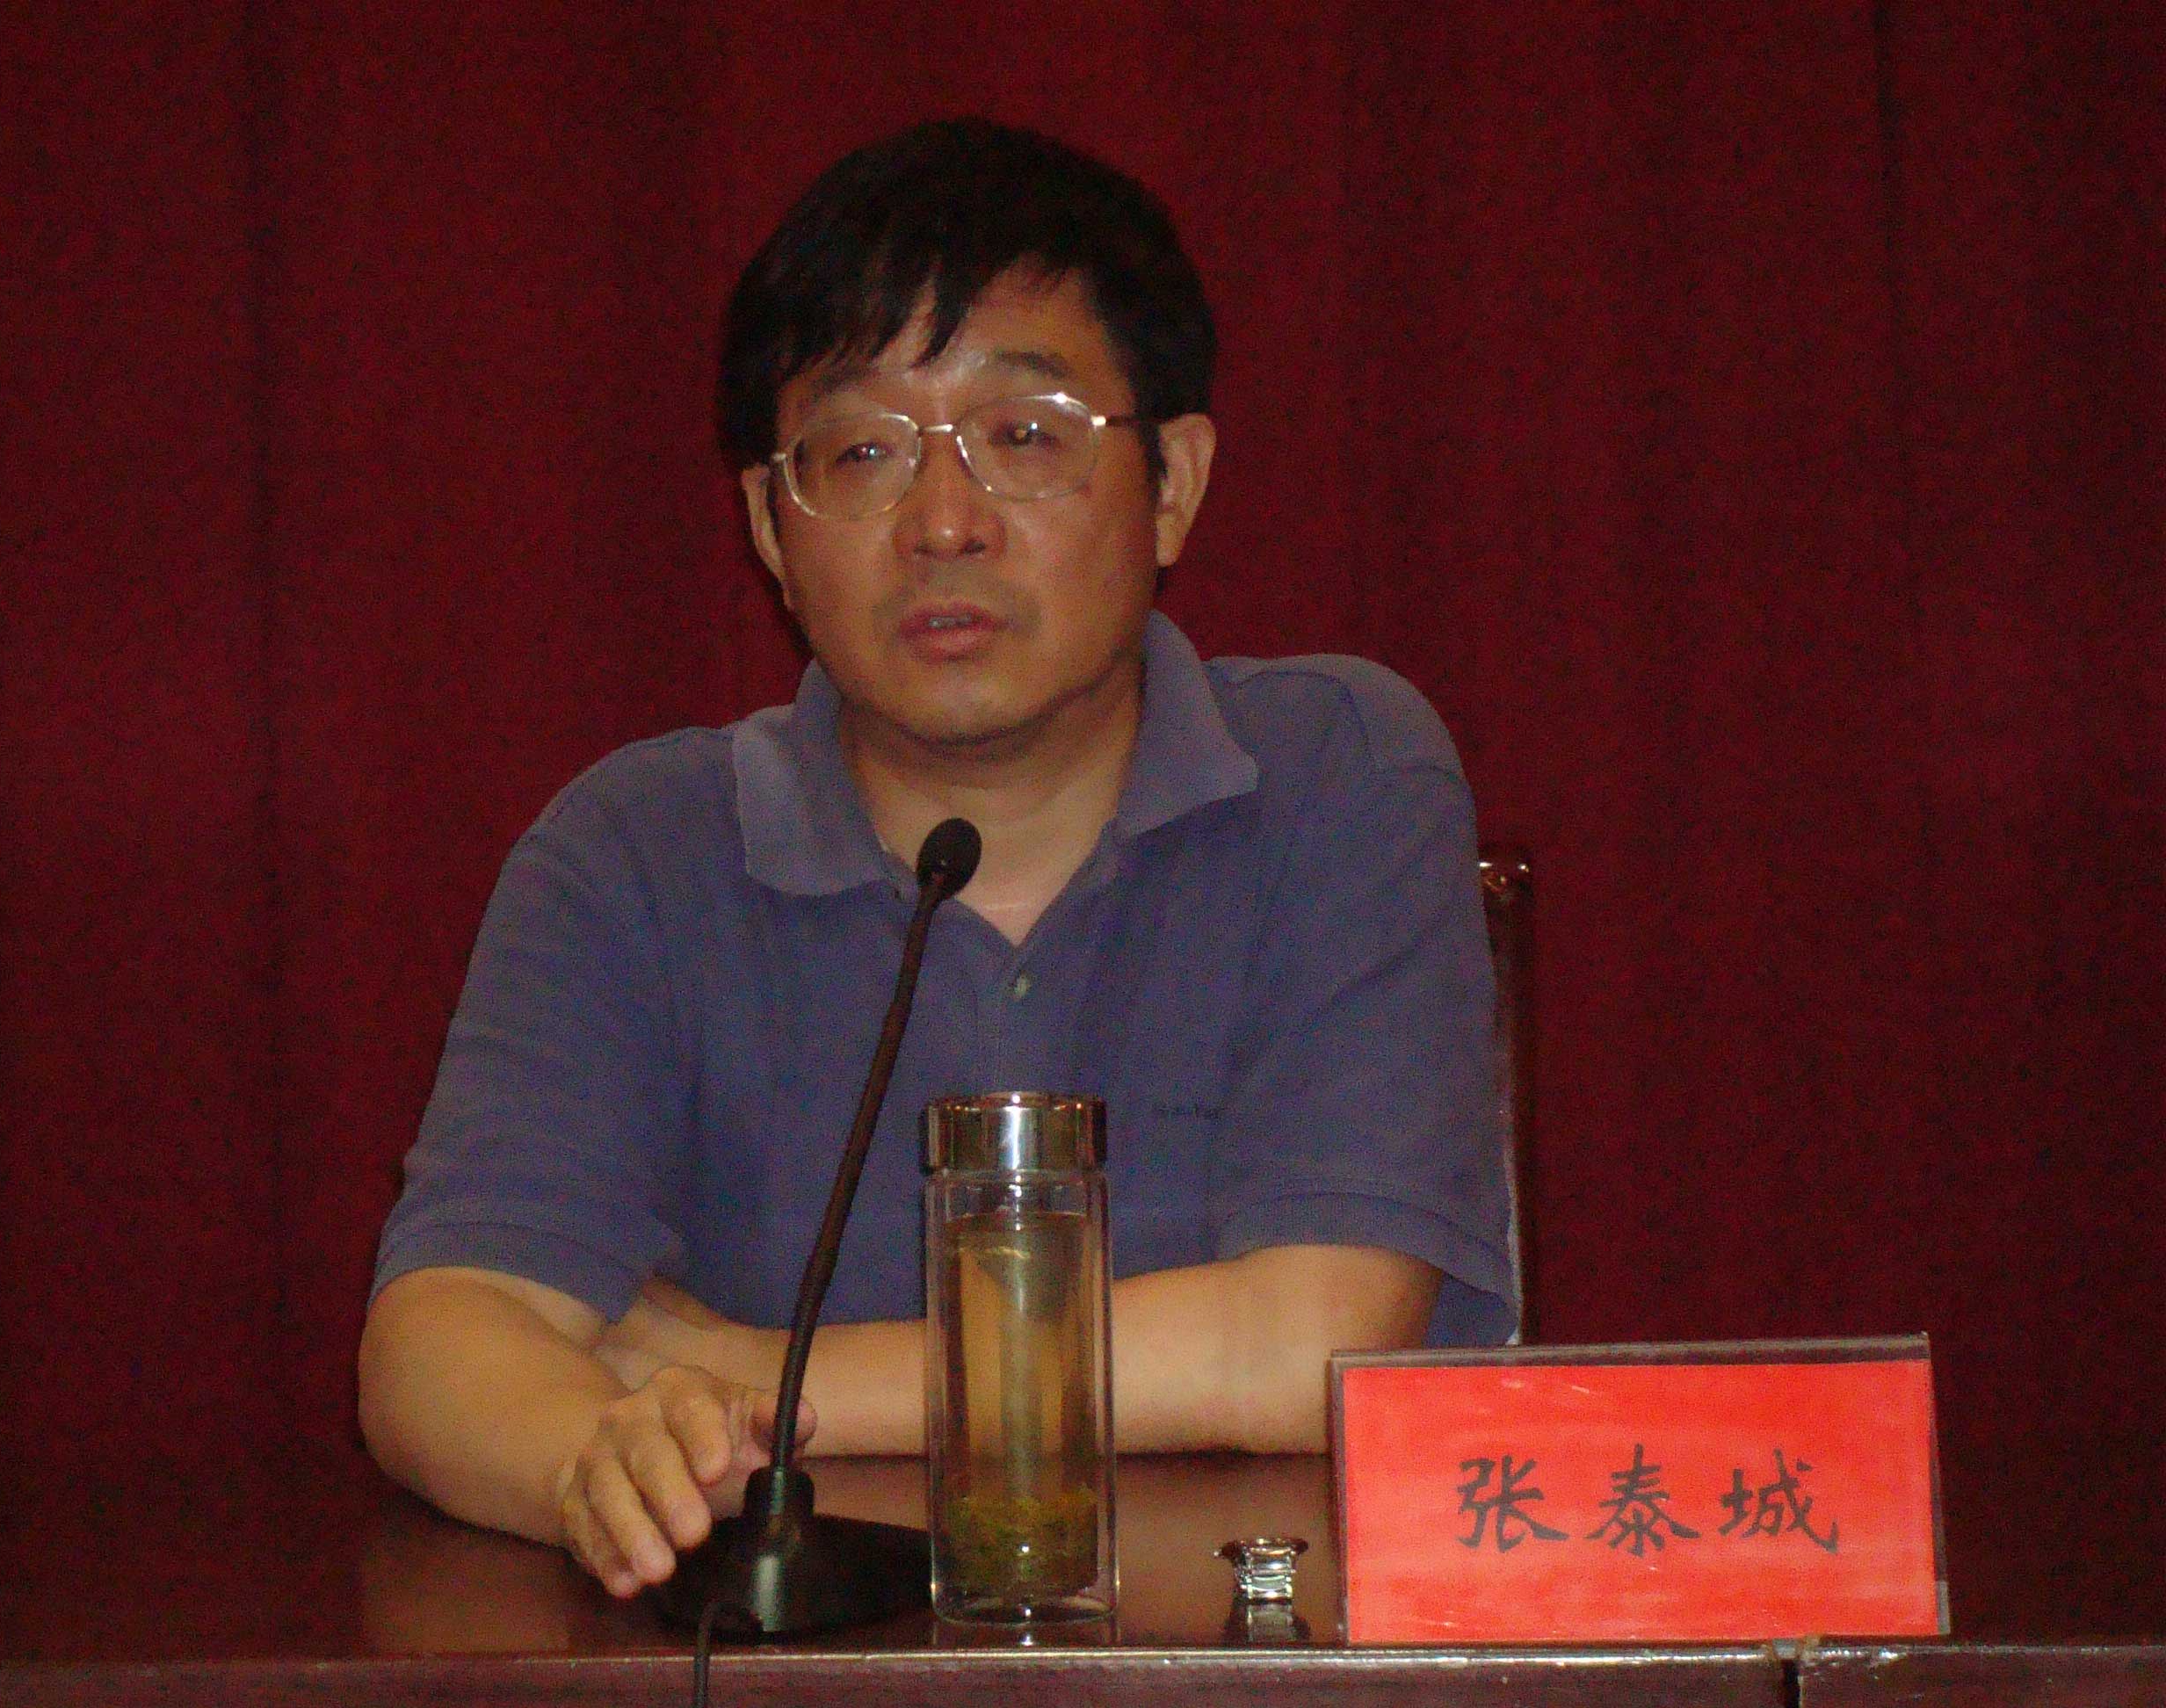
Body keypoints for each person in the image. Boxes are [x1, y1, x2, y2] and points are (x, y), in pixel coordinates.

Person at [359, 118, 1514, 1599]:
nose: (943, 523)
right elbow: (440, 1337)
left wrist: (756, 1381)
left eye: (1024, 437)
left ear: (1172, 481)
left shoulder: (1338, 770)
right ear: (770, 527)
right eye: (862, 453)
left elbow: (1308, 1352)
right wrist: (605, 1454)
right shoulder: (634, 849)